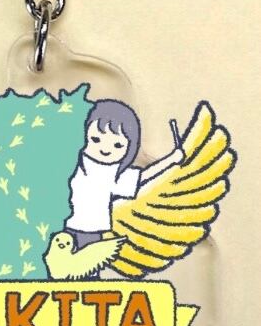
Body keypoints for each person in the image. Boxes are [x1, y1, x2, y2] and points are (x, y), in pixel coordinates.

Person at [65, 99, 184, 249]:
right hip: (61, 223)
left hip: (91, 231)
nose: (105, 149)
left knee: (85, 261)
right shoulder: (72, 160)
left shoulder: (112, 174)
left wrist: (171, 160)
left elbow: (143, 177)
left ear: (130, 148)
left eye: (117, 145)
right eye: (96, 139)